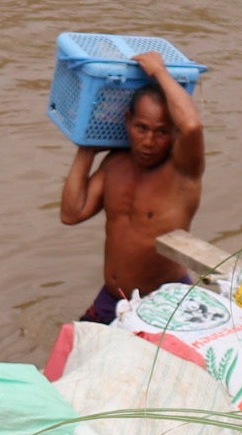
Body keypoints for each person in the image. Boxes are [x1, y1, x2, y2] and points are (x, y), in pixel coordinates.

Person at [58, 49, 204, 324]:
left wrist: (160, 72)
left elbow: (193, 126)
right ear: (127, 121)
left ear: (173, 133)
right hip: (112, 298)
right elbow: (71, 213)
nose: (149, 141)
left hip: (162, 302)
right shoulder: (115, 164)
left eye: (161, 131)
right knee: (69, 359)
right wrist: (86, 148)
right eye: (141, 128)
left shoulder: (182, 171)